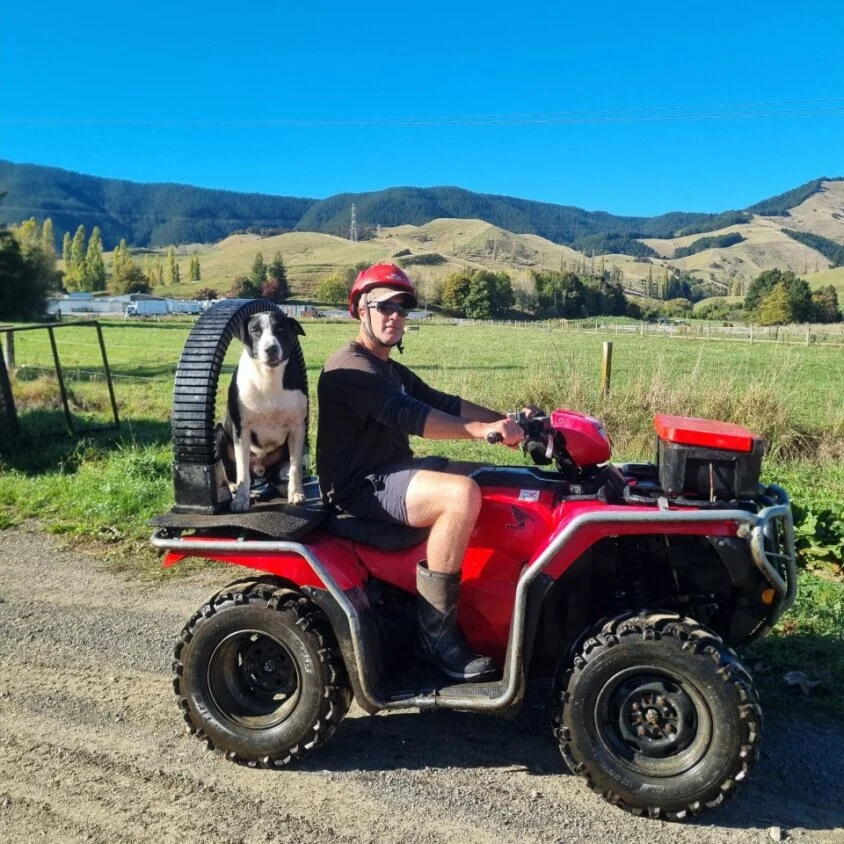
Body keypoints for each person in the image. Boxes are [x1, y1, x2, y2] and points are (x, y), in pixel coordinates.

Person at [316, 263, 527, 682]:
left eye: (403, 308)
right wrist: (480, 431)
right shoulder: (349, 367)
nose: (395, 316)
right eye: (385, 307)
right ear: (360, 310)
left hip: (392, 471)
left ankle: (494, 599)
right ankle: (436, 635)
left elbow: (444, 403)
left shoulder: (390, 368)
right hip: (360, 487)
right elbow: (409, 415)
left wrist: (509, 420)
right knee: (460, 495)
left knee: (490, 476)